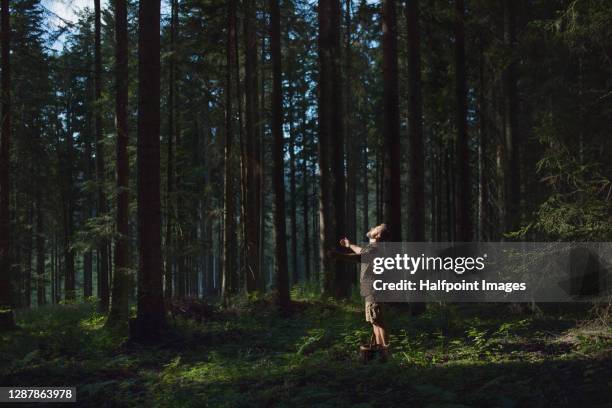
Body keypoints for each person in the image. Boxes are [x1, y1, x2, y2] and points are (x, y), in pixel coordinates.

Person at [329, 223, 390, 359]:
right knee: (375, 321)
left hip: (374, 291)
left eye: (376, 228)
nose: (373, 228)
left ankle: (385, 353)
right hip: (371, 290)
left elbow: (358, 257)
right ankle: (381, 353)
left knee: (379, 321)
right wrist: (349, 245)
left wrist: (338, 255)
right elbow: (360, 251)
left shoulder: (375, 249)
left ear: (378, 235)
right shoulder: (373, 248)